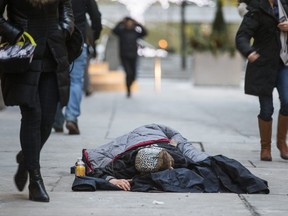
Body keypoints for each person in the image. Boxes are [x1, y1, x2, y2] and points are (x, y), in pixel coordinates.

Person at [0, 0, 74, 202]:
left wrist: (64, 29)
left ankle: (26, 158)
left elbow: (66, 10)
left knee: (47, 120)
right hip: (25, 54)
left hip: (53, 53)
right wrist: (15, 33)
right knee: (32, 116)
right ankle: (35, 179)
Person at [79, 124, 269, 193]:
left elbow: (196, 157)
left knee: (204, 162)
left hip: (163, 134)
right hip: (141, 139)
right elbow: (93, 167)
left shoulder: (177, 154)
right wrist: (112, 179)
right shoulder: (124, 162)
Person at [236, 0, 288, 161]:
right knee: (267, 109)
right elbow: (242, 36)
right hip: (263, 65)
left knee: (287, 101)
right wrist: (248, 51)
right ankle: (265, 148)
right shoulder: (256, 9)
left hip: (284, 64)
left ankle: (282, 143)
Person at [53, 0, 102, 135]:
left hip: (56, 41)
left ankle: (56, 119)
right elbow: (96, 17)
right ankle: (71, 118)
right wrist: (93, 37)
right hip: (78, 41)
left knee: (55, 79)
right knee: (76, 80)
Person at [112, 17, 147, 98]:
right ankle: (128, 89)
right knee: (128, 72)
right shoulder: (122, 32)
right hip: (124, 55)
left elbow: (145, 33)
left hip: (133, 55)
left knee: (133, 74)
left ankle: (130, 84)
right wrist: (120, 22)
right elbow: (114, 31)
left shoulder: (135, 32)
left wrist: (137, 24)